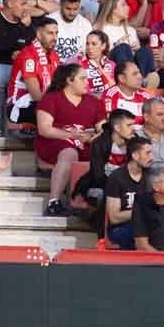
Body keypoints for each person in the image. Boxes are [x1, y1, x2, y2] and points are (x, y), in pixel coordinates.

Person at [36, 63, 105, 216]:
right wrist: (73, 136)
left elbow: (103, 129)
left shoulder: (93, 102)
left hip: (86, 144)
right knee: (69, 152)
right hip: (55, 142)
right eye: (83, 79)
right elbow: (44, 129)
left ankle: (92, 205)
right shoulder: (51, 98)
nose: (87, 82)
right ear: (70, 80)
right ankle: (54, 202)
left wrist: (93, 137)